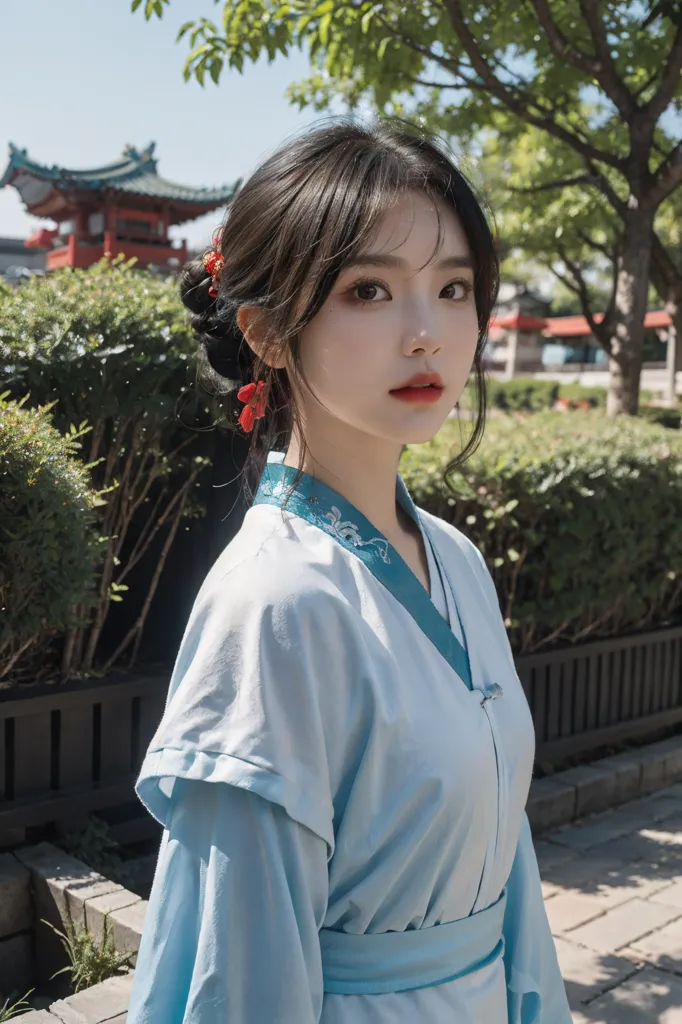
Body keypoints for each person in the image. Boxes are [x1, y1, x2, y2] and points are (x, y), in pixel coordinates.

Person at [126, 119, 571, 1024]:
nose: (427, 334)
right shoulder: (275, 605)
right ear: (269, 334)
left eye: (453, 288)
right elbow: (240, 973)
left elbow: (507, 863)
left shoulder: (454, 558)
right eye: (370, 288)